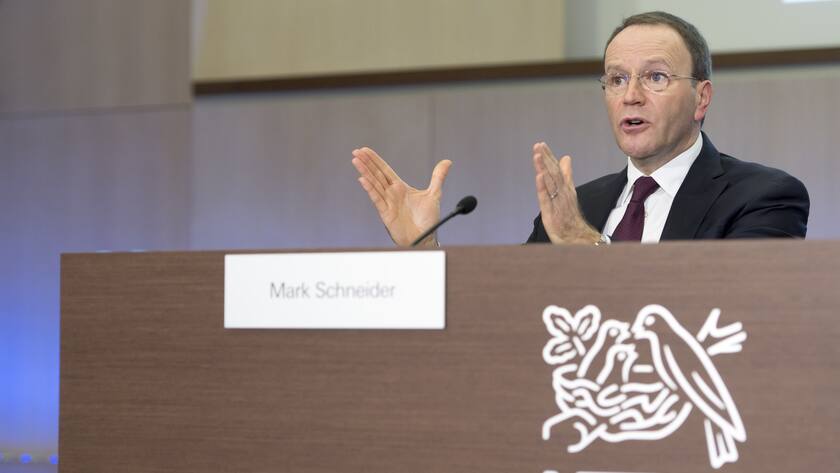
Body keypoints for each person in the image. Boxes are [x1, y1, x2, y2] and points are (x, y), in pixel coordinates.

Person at [351, 11, 809, 247]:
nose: (630, 95)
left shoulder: (763, 197)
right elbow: (506, 317)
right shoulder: (577, 204)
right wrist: (426, 246)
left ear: (701, 98)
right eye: (616, 79)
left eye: (655, 77)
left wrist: (586, 244)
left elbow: (729, 319)